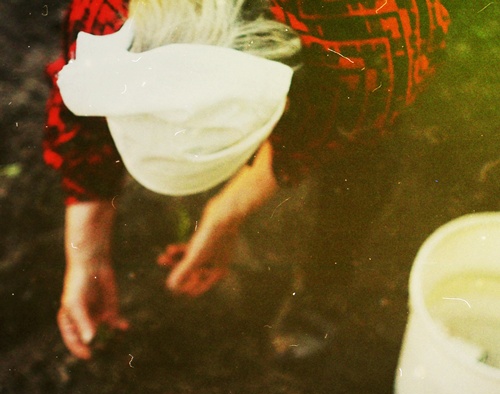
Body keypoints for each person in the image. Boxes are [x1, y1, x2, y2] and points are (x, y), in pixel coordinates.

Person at [44, 0, 450, 360]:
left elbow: (337, 132)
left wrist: (227, 212)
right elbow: (79, 115)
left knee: (364, 156)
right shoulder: (101, 14)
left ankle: (324, 287)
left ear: (285, 97)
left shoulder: (369, 43)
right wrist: (86, 258)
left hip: (358, 62)